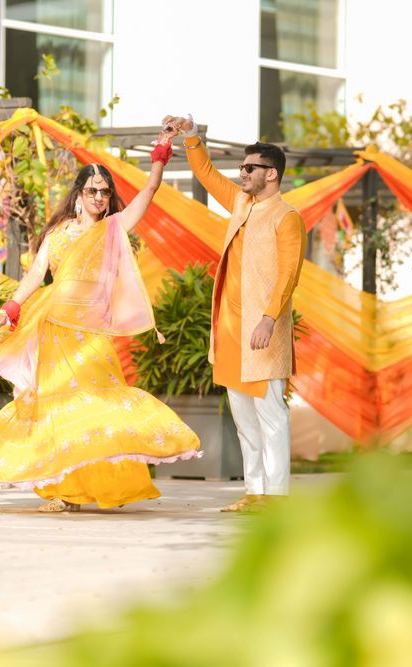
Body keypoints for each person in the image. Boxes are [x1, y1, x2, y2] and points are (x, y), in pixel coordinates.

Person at [0, 128, 201, 512]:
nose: (99, 197)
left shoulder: (112, 229)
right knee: (57, 409)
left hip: (91, 334)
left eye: (104, 192)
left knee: (92, 407)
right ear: (78, 195)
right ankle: (64, 492)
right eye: (92, 190)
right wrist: (10, 308)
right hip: (54, 329)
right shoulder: (58, 233)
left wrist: (159, 160)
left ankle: (96, 485)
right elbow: (35, 273)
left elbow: (147, 196)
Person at [162, 114, 306, 512]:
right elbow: (206, 174)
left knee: (271, 416)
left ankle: (276, 499)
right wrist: (190, 135)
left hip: (262, 331)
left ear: (271, 174)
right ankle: (255, 492)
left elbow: (289, 275)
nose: (241, 174)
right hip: (230, 329)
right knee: (243, 419)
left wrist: (268, 318)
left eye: (249, 168)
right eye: (241, 167)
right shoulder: (242, 204)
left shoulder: (287, 216)